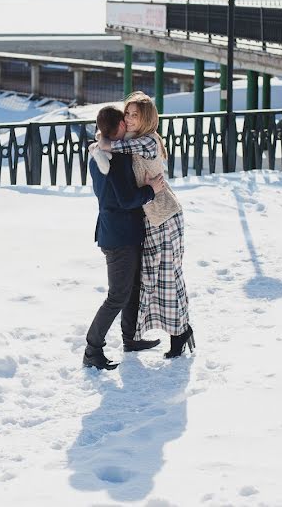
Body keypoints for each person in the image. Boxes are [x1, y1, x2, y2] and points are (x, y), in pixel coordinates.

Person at [97, 91, 194, 359]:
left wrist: (99, 142)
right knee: (155, 279)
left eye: (134, 115)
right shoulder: (134, 140)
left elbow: (113, 147)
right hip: (151, 218)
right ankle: (172, 330)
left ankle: (180, 333)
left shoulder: (147, 142)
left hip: (164, 215)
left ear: (146, 119)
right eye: (126, 113)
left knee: (167, 276)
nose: (127, 118)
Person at [83, 105, 166, 370]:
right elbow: (127, 199)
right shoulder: (115, 161)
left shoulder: (99, 153)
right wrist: (152, 189)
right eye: (124, 121)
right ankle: (92, 349)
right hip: (120, 236)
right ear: (118, 127)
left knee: (129, 290)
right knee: (117, 295)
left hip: (116, 231)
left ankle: (130, 338)